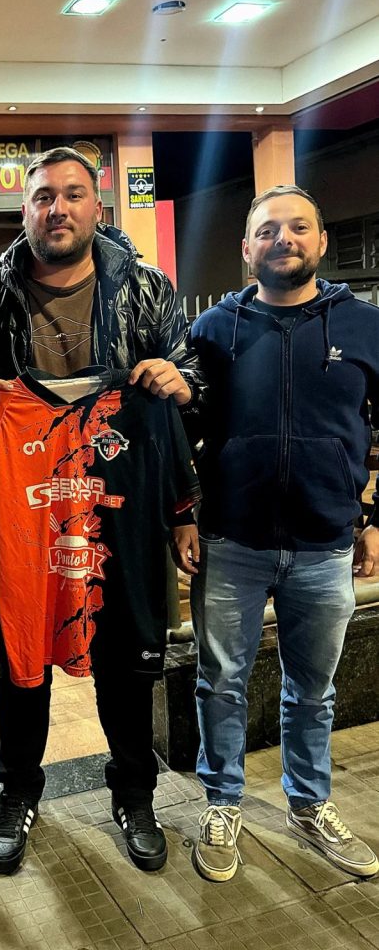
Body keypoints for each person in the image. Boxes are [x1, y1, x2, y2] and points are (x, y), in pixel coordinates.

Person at [0, 146, 205, 875]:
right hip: (27, 512)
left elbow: (187, 382)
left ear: (97, 205)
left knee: (126, 659)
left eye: (72, 194)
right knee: (20, 659)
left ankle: (135, 795)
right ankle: (17, 792)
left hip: (121, 504)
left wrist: (177, 383)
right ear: (23, 210)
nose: (56, 208)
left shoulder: (147, 287)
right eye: (42, 197)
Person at [182, 184, 379, 883]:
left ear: (320, 241)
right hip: (230, 543)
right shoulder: (212, 330)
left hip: (325, 546)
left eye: (297, 227)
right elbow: (182, 432)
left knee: (313, 691)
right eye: (267, 230)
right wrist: (182, 515)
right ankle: (221, 802)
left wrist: (375, 519)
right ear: (246, 249)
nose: (282, 240)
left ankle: (309, 802)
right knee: (219, 683)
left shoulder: (364, 326)